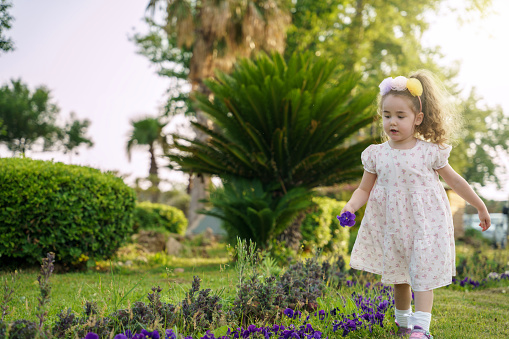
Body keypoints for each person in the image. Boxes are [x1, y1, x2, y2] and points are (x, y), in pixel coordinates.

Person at [340, 71, 491, 338]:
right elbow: (364, 188)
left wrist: (479, 205)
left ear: (417, 119)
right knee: (398, 277)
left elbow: (455, 182)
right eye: (387, 116)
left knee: (422, 275)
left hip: (425, 226)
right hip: (394, 227)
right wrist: (350, 207)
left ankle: (421, 328)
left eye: (400, 116)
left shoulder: (430, 151)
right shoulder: (376, 154)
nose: (392, 122)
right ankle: (403, 324)